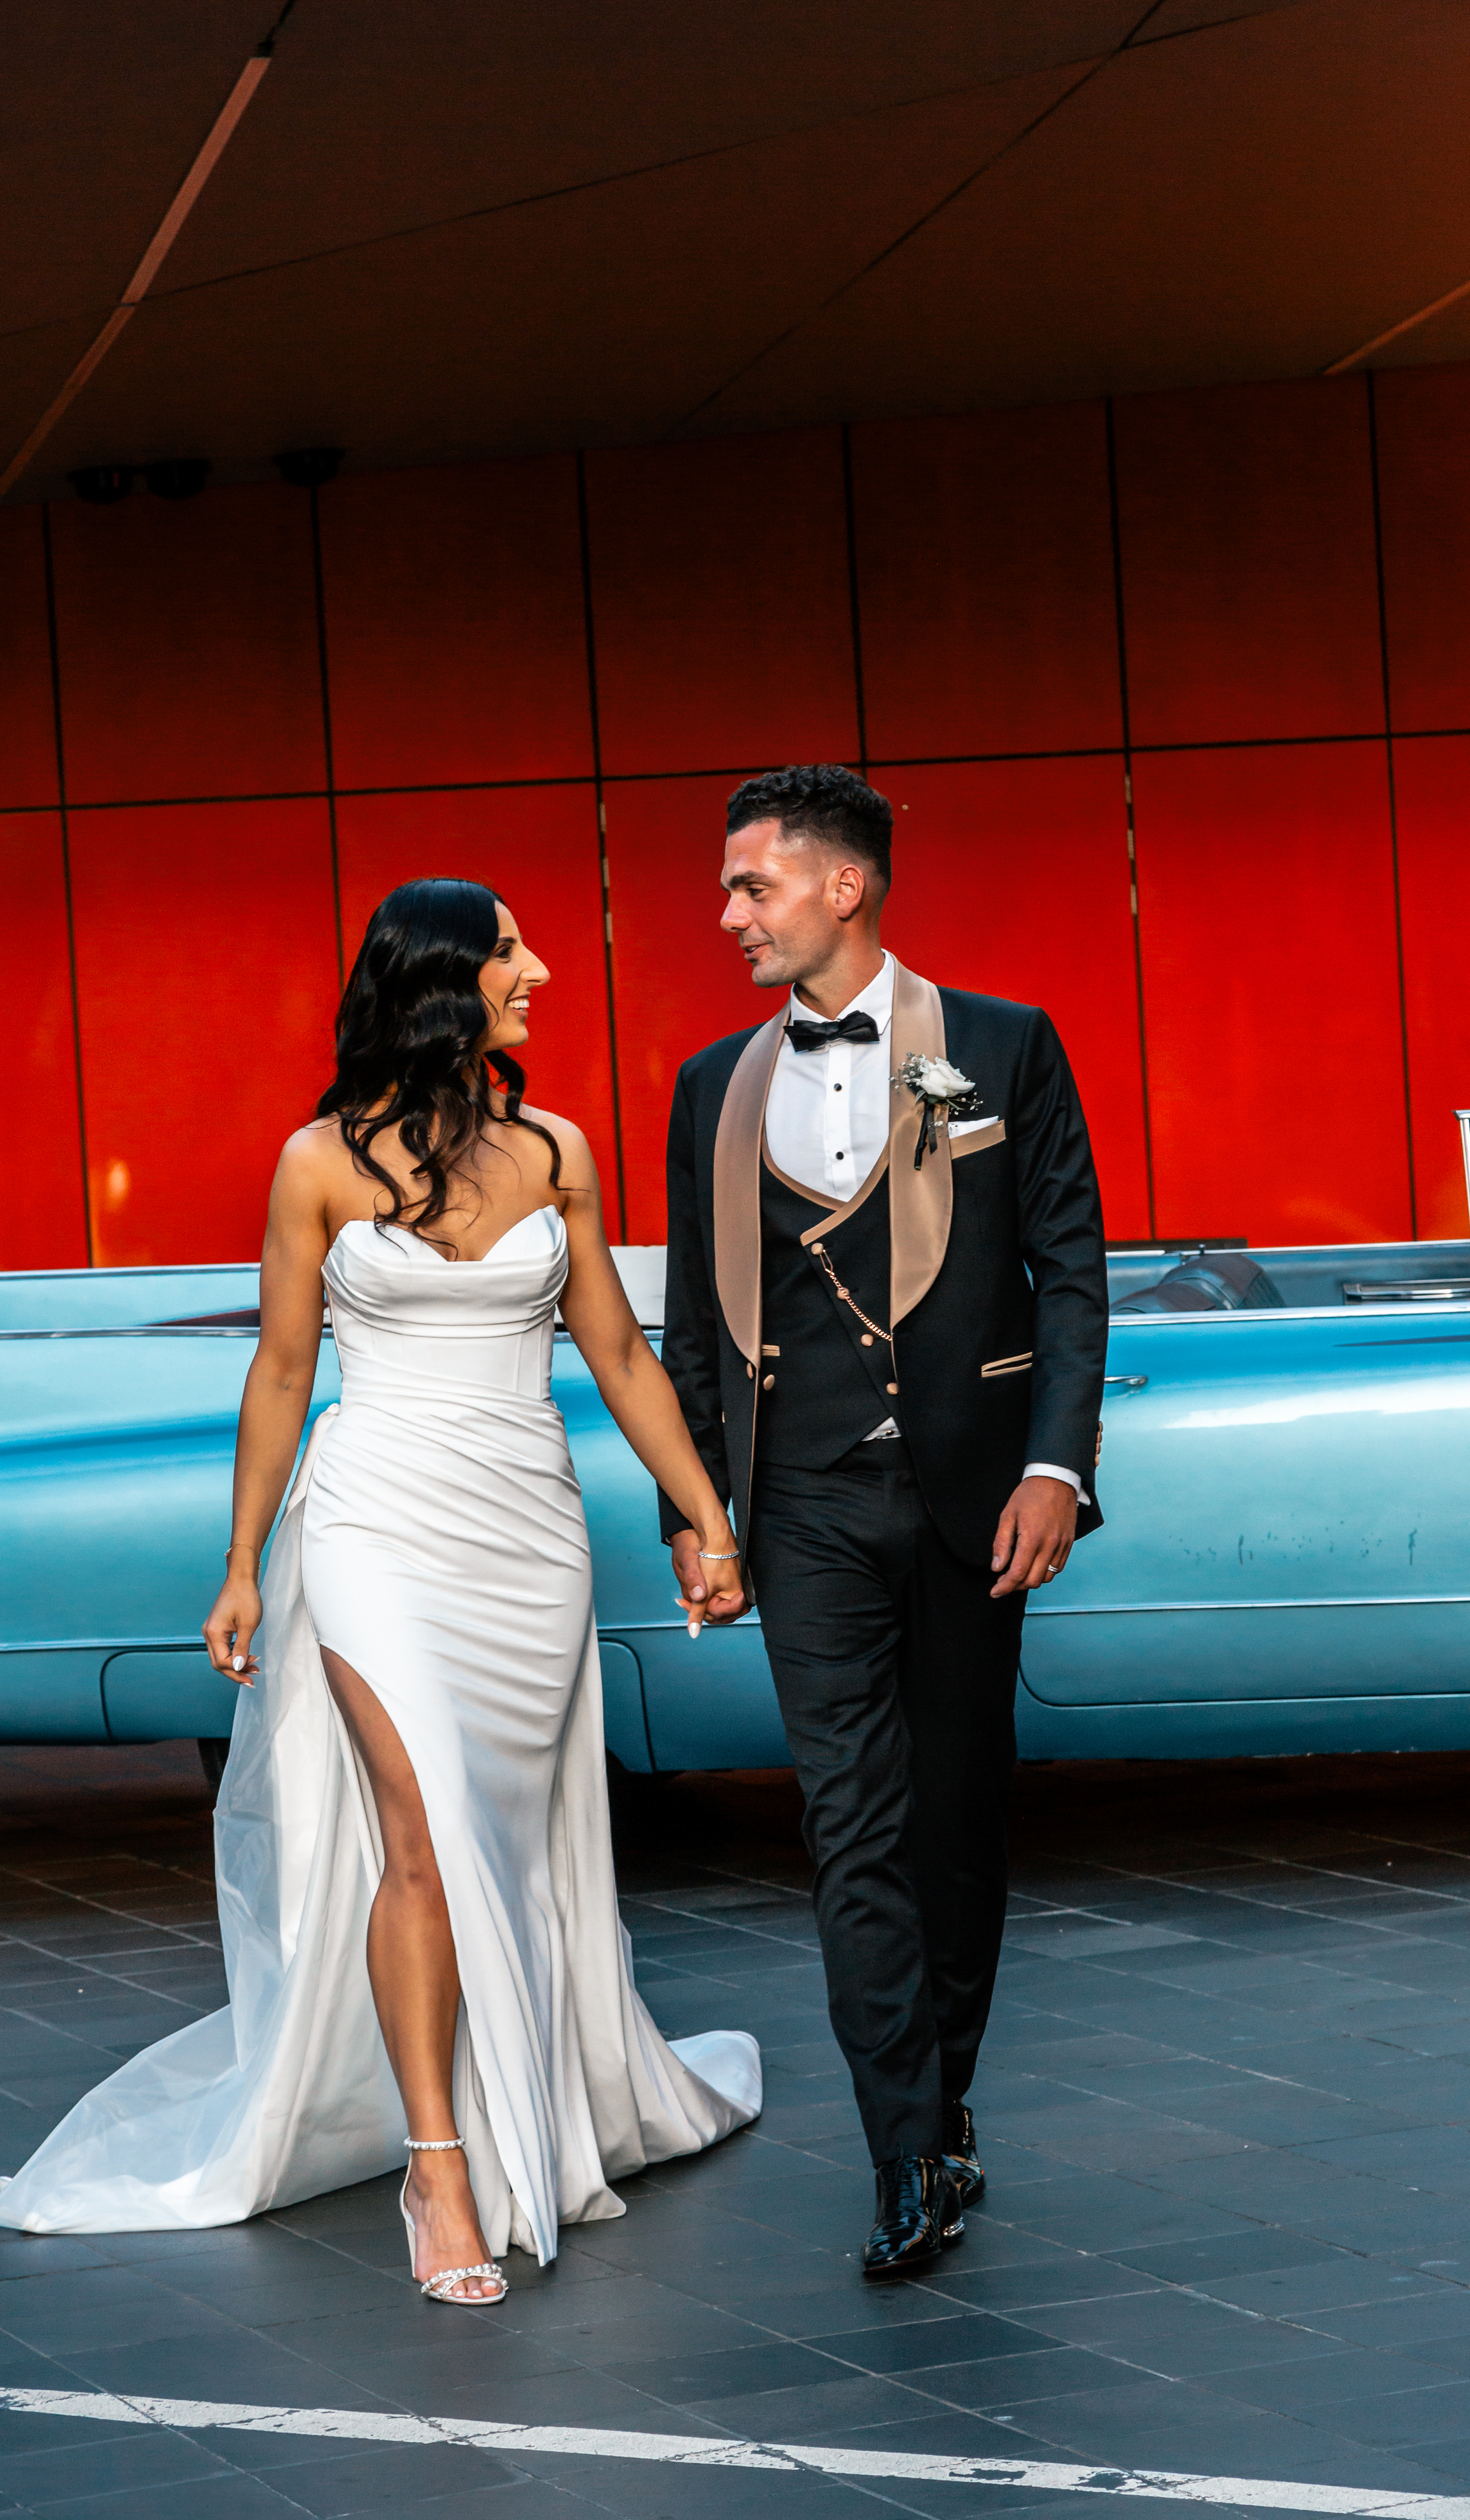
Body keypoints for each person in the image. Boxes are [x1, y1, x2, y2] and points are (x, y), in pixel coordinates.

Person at [0, 877, 761, 2300]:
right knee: (418, 1835)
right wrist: (240, 1565)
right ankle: (437, 2167)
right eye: (511, 951)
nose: (537, 971)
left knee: (511, 1843)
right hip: (371, 1527)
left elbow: (624, 1359)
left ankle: (535, 2087)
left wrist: (712, 1518)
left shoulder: (556, 1152)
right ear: (442, 983)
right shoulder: (317, 1165)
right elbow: (282, 1370)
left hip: (526, 1535)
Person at [660, 765, 1106, 2282]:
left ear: (844, 887)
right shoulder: (710, 1088)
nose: (729, 914)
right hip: (805, 1508)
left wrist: (1058, 1469)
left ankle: (947, 2093)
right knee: (848, 1823)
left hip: (979, 1494)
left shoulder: (1002, 1047)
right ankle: (905, 2148)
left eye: (752, 885)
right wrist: (696, 1510)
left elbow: (1072, 1272)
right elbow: (695, 1334)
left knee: (959, 1824)